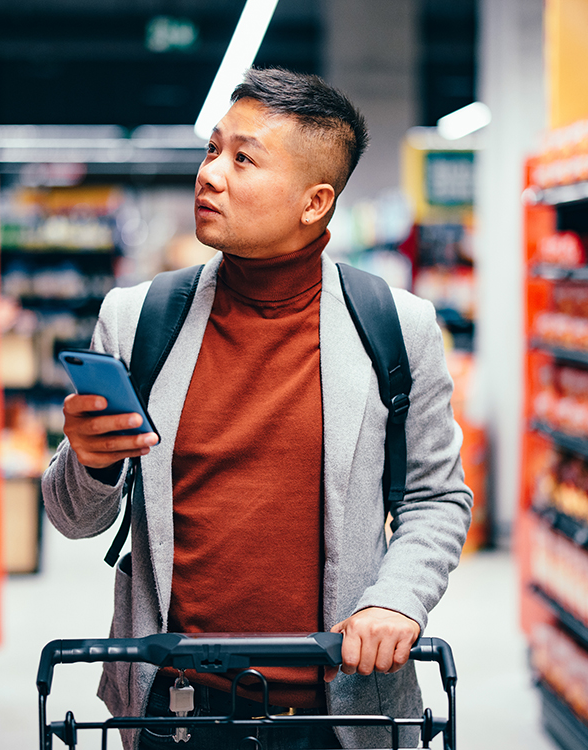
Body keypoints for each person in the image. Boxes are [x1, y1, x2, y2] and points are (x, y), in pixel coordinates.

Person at [43, 67, 473, 750]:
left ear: (314, 202)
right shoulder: (137, 321)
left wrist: (398, 599)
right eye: (213, 150)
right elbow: (73, 519)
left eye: (244, 158)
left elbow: (436, 499)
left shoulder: (395, 328)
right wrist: (90, 464)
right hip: (172, 710)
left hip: (338, 710)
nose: (210, 174)